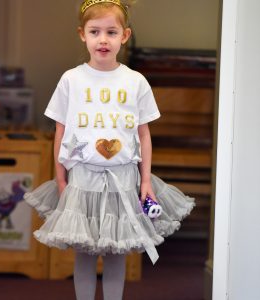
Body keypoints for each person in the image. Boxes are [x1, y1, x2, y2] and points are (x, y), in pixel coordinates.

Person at [24, 1, 195, 299]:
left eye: (111, 32)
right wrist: (61, 178)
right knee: (85, 253)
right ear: (82, 35)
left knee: (118, 252)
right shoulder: (71, 80)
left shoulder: (135, 81)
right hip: (83, 179)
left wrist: (144, 181)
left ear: (124, 36)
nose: (103, 39)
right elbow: (60, 132)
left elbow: (143, 133)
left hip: (124, 180)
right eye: (95, 31)